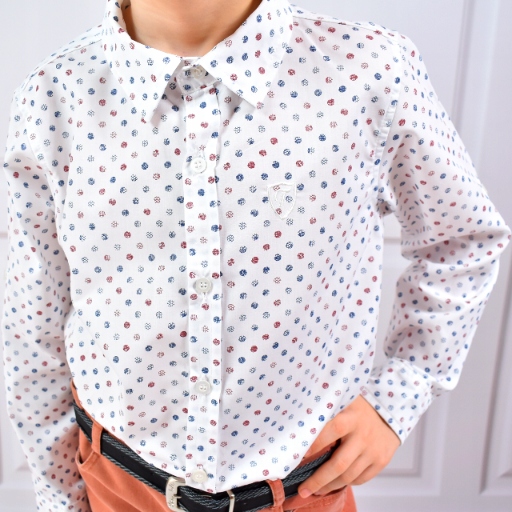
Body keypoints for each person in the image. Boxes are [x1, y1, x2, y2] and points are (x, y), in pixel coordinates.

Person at [2, 0, 510, 511]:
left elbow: (462, 241)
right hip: (118, 484)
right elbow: (32, 324)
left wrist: (397, 397)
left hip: (306, 490)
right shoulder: (53, 98)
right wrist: (60, 498)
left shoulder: (368, 70)